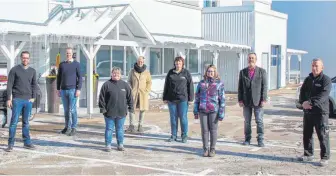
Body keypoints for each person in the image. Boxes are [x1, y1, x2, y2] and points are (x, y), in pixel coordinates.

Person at [297, 58, 331, 167]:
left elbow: (323, 96)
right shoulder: (308, 79)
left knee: (323, 135)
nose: (314, 68)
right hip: (308, 112)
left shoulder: (326, 80)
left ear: (322, 67)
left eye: (316, 66)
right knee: (307, 134)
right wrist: (302, 103)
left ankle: (325, 157)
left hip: (320, 112)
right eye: (312, 65)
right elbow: (302, 92)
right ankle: (308, 154)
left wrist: (310, 103)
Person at [5, 51, 37, 152]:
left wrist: (33, 98)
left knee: (26, 122)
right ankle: (10, 144)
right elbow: (9, 85)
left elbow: (34, 85)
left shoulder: (32, 71)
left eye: (27, 58)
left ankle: (27, 143)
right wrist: (9, 99)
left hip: (28, 100)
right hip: (17, 99)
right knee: (13, 122)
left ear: (29, 59)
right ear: (21, 58)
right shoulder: (14, 70)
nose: (25, 59)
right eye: (24, 58)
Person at [99, 67, 134, 152]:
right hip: (109, 112)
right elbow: (101, 98)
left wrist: (131, 108)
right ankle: (108, 145)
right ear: (111, 74)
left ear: (120, 75)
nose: (116, 75)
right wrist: (102, 109)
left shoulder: (125, 85)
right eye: (114, 73)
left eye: (118, 73)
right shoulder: (106, 84)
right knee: (109, 129)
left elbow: (130, 98)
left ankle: (120, 144)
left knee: (120, 129)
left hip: (121, 112)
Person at [194, 64, 225, 157]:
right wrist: (196, 110)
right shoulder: (201, 83)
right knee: (204, 130)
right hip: (203, 109)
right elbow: (197, 97)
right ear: (206, 73)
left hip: (214, 110)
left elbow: (222, 99)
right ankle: (205, 149)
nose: (210, 73)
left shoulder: (219, 84)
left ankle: (212, 149)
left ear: (215, 73)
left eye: (212, 71)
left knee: (213, 130)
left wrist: (221, 113)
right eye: (208, 71)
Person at [238, 52, 267, 147]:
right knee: (247, 121)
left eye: (253, 58)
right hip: (246, 101)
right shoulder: (242, 72)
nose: (251, 59)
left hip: (258, 100)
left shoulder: (262, 71)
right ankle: (247, 139)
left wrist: (264, 99)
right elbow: (240, 87)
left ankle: (260, 139)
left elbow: (264, 86)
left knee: (259, 120)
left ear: (256, 59)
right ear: (247, 59)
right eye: (249, 58)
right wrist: (240, 100)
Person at [163, 56, 194, 143]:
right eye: (176, 63)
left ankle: (184, 135)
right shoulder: (170, 72)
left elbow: (190, 86)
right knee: (173, 118)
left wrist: (191, 98)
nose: (178, 64)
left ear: (182, 63)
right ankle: (173, 135)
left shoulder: (186, 73)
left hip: (183, 99)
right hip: (171, 99)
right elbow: (166, 85)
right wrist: (164, 97)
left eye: (180, 63)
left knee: (183, 117)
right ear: (174, 64)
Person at [57, 47, 82, 136]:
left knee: (72, 110)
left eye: (70, 53)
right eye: (67, 53)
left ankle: (74, 127)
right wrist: (58, 89)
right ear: (66, 54)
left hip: (73, 90)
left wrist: (78, 89)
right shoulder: (62, 64)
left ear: (72, 54)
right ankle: (67, 127)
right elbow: (59, 77)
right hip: (63, 90)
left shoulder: (76, 64)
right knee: (66, 110)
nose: (68, 55)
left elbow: (80, 78)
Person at [126, 56, 152, 133]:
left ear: (143, 62)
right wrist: (131, 89)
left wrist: (147, 90)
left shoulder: (147, 72)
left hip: (143, 93)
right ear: (137, 61)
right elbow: (129, 81)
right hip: (134, 93)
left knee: (142, 109)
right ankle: (131, 126)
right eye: (139, 61)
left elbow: (149, 82)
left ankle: (140, 125)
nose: (140, 62)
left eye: (142, 61)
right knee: (131, 109)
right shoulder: (132, 71)